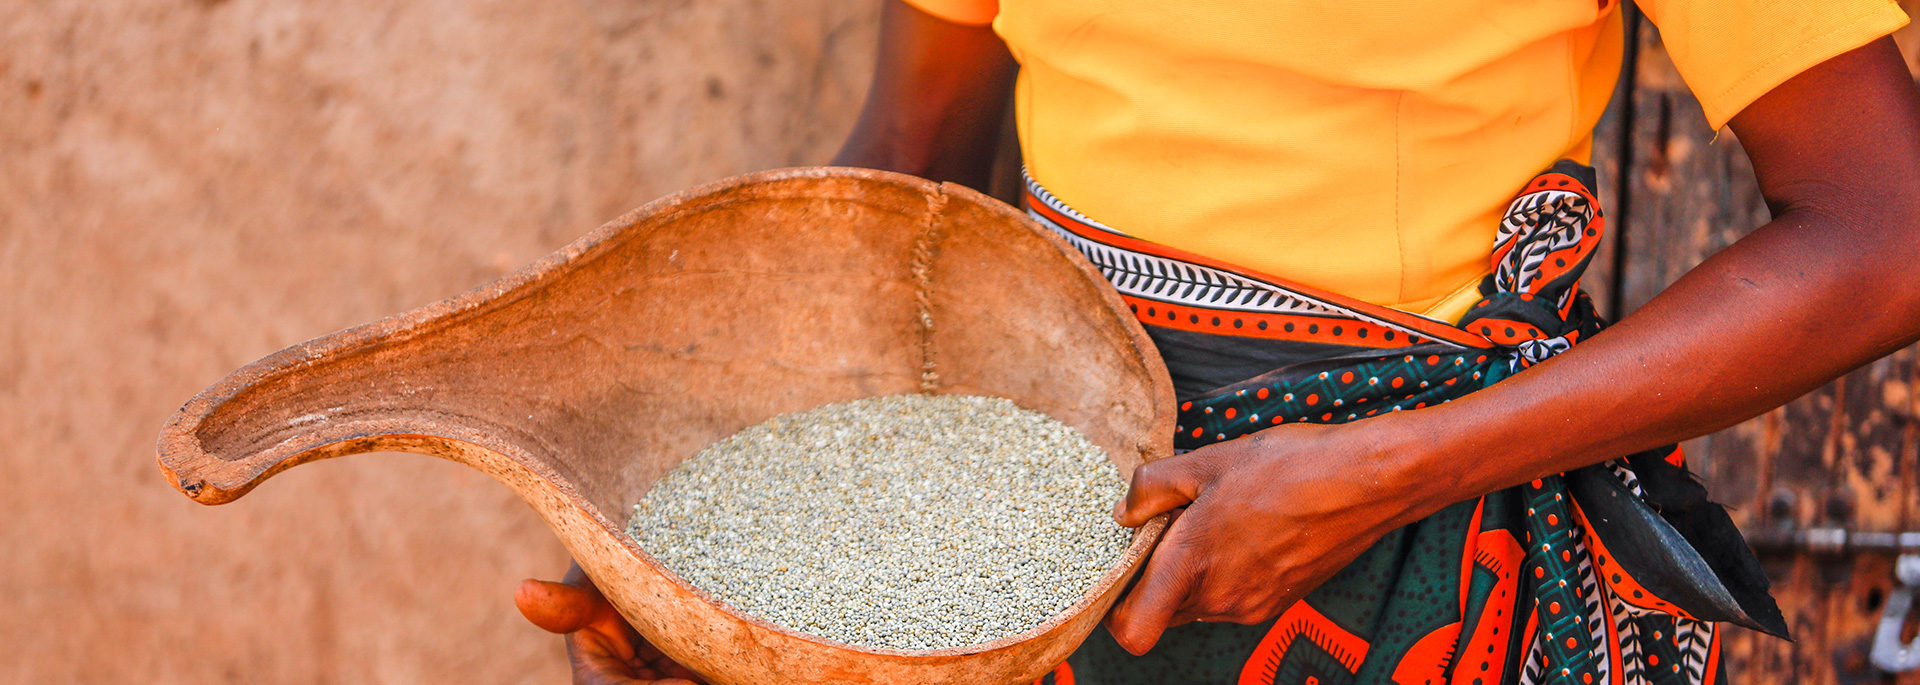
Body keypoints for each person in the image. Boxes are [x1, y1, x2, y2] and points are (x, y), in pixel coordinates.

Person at [514, 0, 1920, 681]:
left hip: (1416, 574)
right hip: (1032, 549)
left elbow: (1883, 231)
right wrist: (716, 533)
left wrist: (1387, 470)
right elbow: (905, 167)